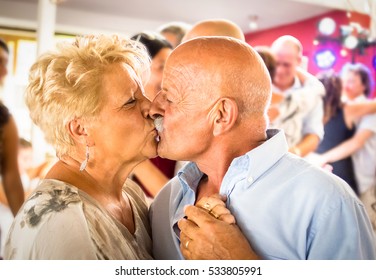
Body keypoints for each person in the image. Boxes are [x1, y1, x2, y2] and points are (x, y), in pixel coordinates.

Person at [149, 36, 376, 259]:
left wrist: (240, 263)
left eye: (169, 98)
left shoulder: (327, 202)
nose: (153, 109)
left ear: (221, 115)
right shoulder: (165, 201)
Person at [4, 34, 157, 259]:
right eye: (131, 101)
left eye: (144, 94)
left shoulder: (130, 194)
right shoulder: (60, 224)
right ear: (80, 130)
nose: (152, 107)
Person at [318, 63, 376, 234]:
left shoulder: (364, 109)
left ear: (364, 85)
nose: (346, 85)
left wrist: (321, 158)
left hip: (366, 180)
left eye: (351, 81)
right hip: (348, 176)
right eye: (345, 81)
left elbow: (356, 143)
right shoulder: (339, 109)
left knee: (366, 230)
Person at [130, 32, 176, 198]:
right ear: (136, 70)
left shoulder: (174, 120)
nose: (169, 76)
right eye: (162, 67)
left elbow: (177, 202)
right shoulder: (122, 122)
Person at [270, 35, 325, 157]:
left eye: (286, 65)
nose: (279, 70)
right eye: (276, 63)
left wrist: (294, 153)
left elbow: (313, 133)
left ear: (299, 61)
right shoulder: (260, 85)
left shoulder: (312, 93)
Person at [0, 37, 24, 259]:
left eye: (5, 63)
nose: (4, 71)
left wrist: (25, 230)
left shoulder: (5, 120)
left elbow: (11, 176)